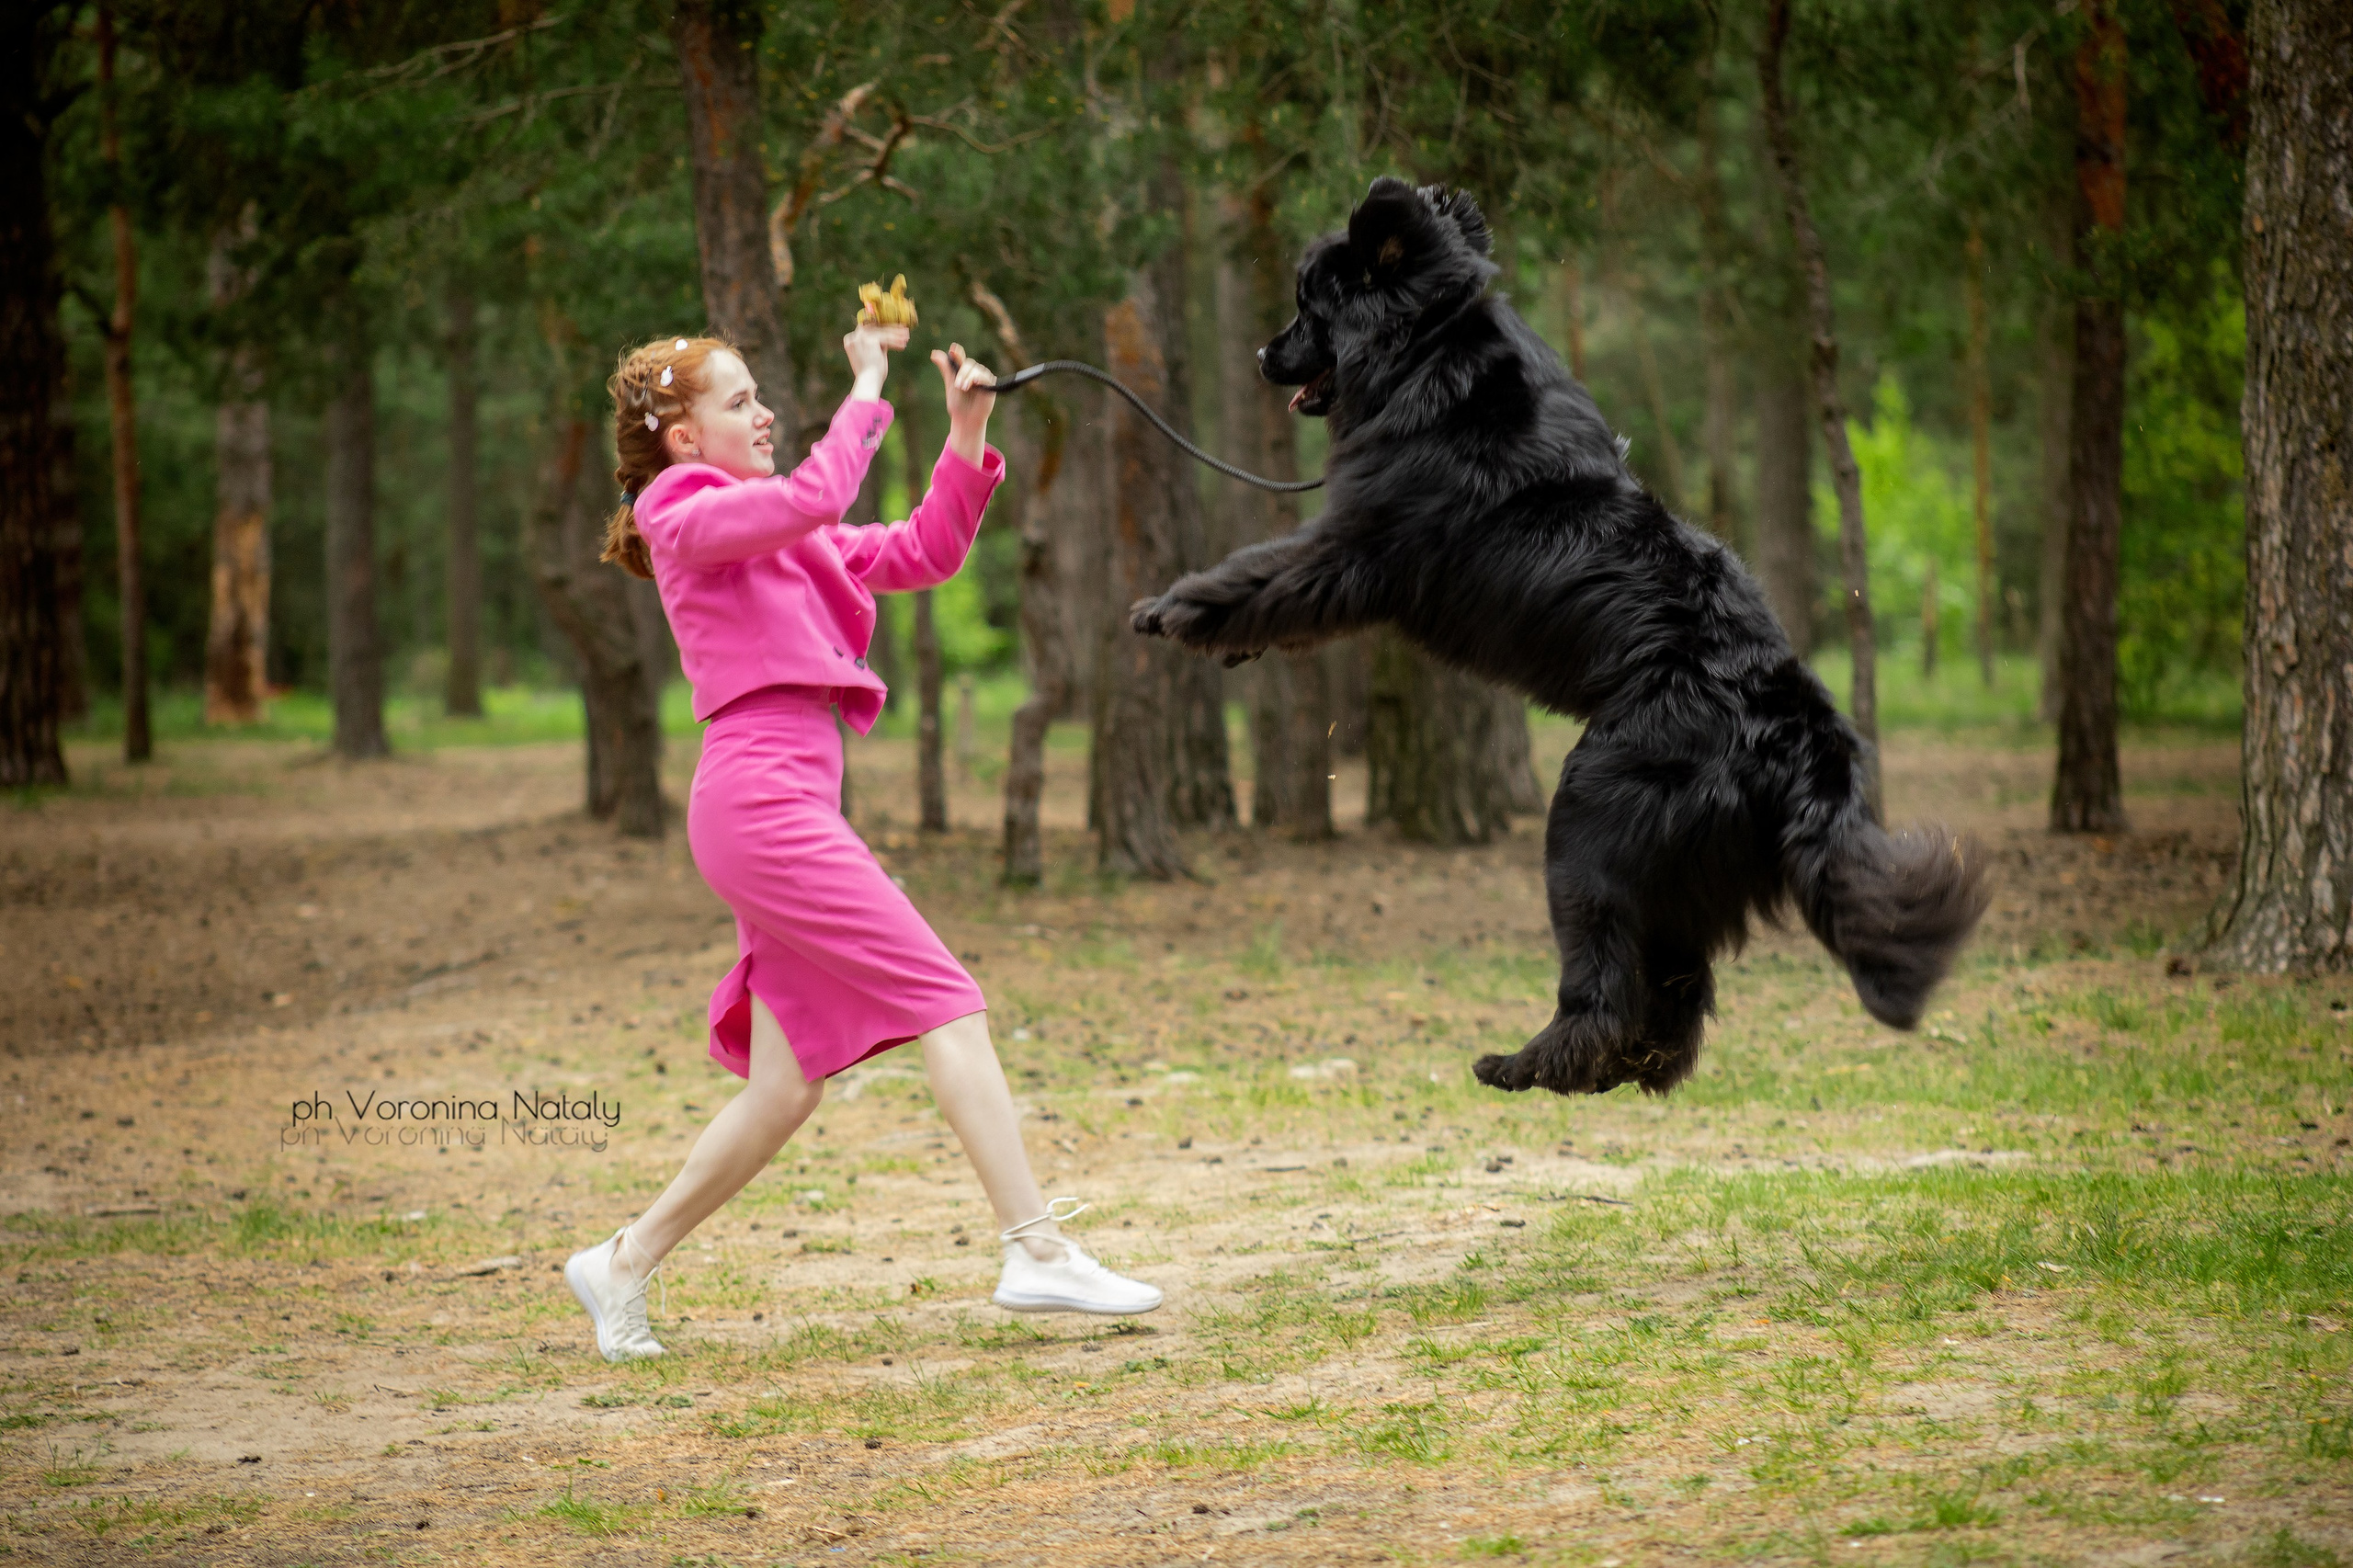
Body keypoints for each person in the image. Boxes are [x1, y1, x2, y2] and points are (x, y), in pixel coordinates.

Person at [563, 323, 1160, 1363]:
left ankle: (622, 1258)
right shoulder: (677, 510)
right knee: (947, 998)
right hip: (759, 802)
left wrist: (966, 431)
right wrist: (870, 384)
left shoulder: (779, 535)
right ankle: (1037, 1248)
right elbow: (813, 495)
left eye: (762, 397)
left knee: (786, 1085)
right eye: (740, 399)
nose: (763, 414)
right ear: (677, 431)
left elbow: (921, 549)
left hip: (788, 800)